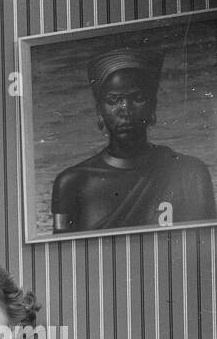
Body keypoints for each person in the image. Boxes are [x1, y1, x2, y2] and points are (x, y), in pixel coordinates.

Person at [51, 46, 216, 233]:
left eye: (138, 98)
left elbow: (204, 243)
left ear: (153, 107)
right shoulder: (72, 183)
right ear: (99, 112)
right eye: (113, 100)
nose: (126, 110)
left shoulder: (190, 173)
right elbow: (64, 250)